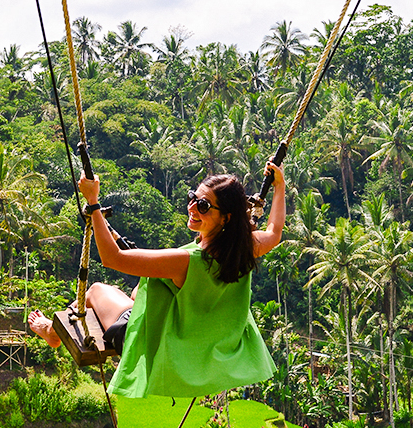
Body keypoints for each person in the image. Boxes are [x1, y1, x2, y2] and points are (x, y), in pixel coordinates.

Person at [29, 164, 285, 399]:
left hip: (149, 343)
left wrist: (93, 203)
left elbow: (112, 258)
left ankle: (52, 333)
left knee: (96, 290)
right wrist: (280, 186)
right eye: (192, 198)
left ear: (226, 218)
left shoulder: (185, 261)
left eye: (204, 206)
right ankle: (57, 330)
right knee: (133, 293)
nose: (192, 208)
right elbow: (274, 232)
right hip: (197, 353)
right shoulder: (246, 248)